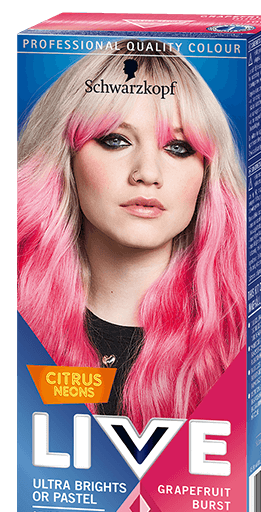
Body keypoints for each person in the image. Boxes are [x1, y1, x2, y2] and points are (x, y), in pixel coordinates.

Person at [17, 40, 246, 431]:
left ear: (207, 173)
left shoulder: (244, 335)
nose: (147, 173)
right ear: (65, 158)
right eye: (115, 140)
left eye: (178, 147)